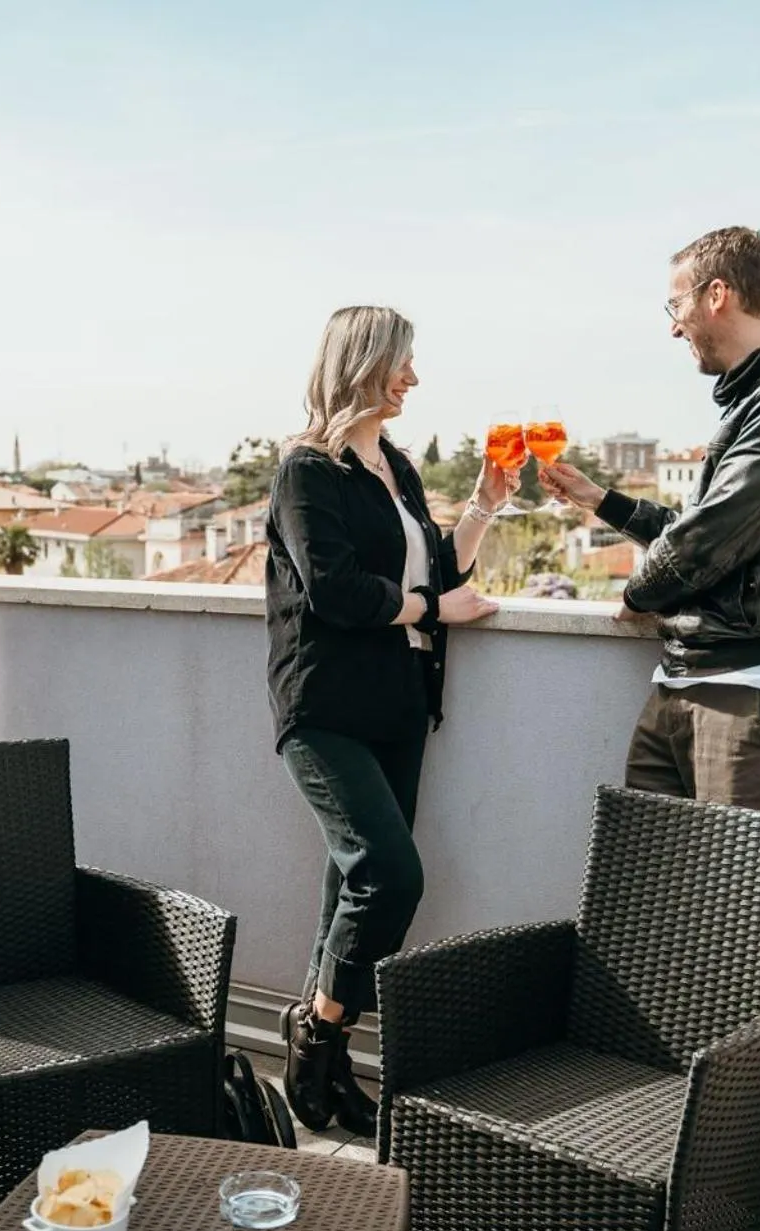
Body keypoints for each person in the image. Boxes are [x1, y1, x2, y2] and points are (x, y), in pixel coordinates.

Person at [265, 305, 507, 1135]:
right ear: (362, 365)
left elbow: (435, 568)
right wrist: (432, 608)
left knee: (349, 881)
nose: (412, 378)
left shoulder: (395, 465)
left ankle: (323, 1067)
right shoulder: (305, 470)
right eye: (401, 362)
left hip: (399, 703)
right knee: (389, 874)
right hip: (323, 704)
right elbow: (334, 590)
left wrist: (482, 505)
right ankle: (317, 1032)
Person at [541, 227, 760, 817]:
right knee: (645, 874)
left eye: (676, 305)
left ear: (717, 295)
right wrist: (602, 501)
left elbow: (712, 536)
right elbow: (711, 528)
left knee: (742, 881)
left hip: (755, 693)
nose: (674, 327)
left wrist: (638, 594)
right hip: (689, 683)